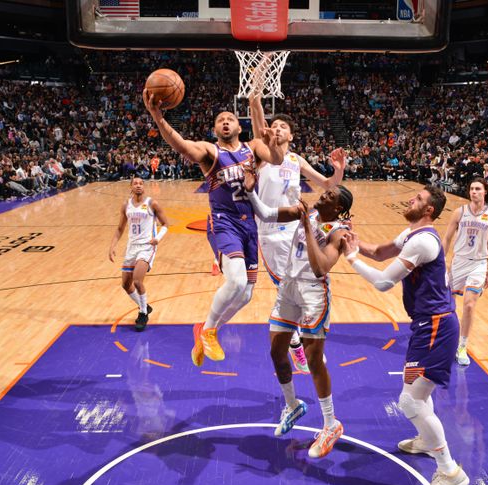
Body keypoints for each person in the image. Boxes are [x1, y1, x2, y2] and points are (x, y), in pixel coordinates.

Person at [342, 185, 469, 485]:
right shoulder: (414, 233)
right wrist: (357, 243)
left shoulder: (425, 242)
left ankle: (450, 471)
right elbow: (382, 251)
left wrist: (351, 258)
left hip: (437, 327)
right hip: (426, 325)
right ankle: (428, 441)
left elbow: (384, 281)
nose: (411, 199)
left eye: (418, 199)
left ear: (428, 210)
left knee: (410, 401)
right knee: (414, 390)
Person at [142, 90, 284, 365]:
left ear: (239, 126)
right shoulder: (210, 151)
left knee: (245, 295)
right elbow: (182, 145)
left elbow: (276, 159)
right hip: (223, 222)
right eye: (221, 120)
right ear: (215, 129)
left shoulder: (253, 147)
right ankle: (208, 331)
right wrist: (158, 118)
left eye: (231, 118)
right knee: (237, 281)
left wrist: (274, 143)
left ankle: (205, 329)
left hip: (249, 225)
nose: (226, 121)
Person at [249, 184, 352, 458]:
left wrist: (307, 225)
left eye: (331, 196)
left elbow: (321, 267)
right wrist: (250, 191)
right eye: (326, 192)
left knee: (313, 358)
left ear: (339, 208)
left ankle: (331, 424)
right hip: (288, 287)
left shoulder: (340, 233)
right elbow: (266, 213)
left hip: (313, 292)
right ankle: (293, 404)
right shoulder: (306, 211)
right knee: (276, 351)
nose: (324, 194)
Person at [249, 92, 346, 374]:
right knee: (286, 287)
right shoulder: (264, 153)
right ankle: (295, 345)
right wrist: (259, 79)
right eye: (274, 125)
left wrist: (338, 171)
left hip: (296, 229)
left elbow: (327, 184)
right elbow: (255, 107)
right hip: (269, 230)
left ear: (290, 135)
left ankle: (299, 342)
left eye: (283, 127)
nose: (277, 129)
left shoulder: (295, 159)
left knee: (303, 284)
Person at [441, 178, 488, 366]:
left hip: (478, 264)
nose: (474, 191)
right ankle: (445, 339)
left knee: (468, 305)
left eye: (477, 189)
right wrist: (441, 262)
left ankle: (462, 346)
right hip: (458, 262)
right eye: (471, 188)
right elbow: (447, 238)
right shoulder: (460, 212)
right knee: (447, 305)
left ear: (485, 192)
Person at [109, 177, 169, 331]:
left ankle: (143, 313)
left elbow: (166, 224)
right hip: (131, 247)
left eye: (141, 183)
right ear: (130, 186)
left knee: (137, 280)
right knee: (125, 285)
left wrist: (158, 238)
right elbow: (119, 228)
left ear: (144, 187)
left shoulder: (151, 203)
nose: (138, 185)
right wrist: (112, 246)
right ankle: (145, 306)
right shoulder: (126, 205)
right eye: (135, 183)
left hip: (147, 246)